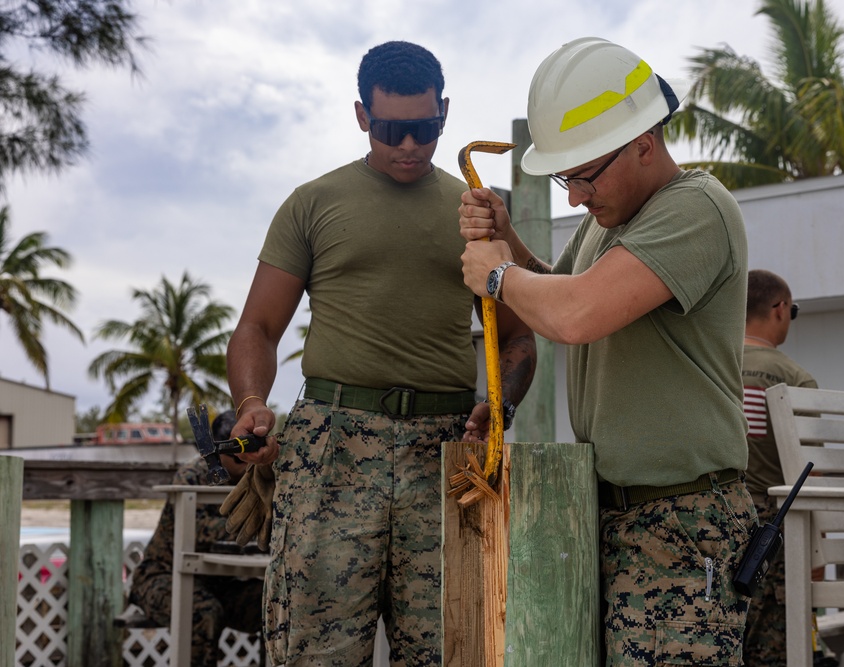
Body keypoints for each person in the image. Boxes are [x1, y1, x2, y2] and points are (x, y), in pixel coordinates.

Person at [223, 40, 536, 666]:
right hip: (332, 452)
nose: (409, 145)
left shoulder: (474, 214)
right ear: (363, 115)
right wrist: (252, 404)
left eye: (424, 128)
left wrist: (497, 410)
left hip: (447, 456)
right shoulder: (314, 203)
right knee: (316, 653)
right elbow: (257, 327)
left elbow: (520, 337)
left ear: (443, 113)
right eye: (392, 128)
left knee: (456, 649)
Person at [458, 37, 755, 665]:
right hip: (615, 513)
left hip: (682, 522)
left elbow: (575, 314)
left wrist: (495, 274)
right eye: (567, 178)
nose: (574, 197)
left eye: (583, 176)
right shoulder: (608, 221)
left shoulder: (696, 210)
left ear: (644, 144)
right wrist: (506, 239)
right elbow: (557, 289)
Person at [129, 410, 263, 667]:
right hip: (162, 576)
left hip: (220, 581)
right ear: (218, 451)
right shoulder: (194, 474)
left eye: (250, 459)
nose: (246, 466)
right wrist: (250, 525)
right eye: (238, 458)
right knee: (202, 612)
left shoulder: (256, 478)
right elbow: (197, 528)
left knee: (273, 600)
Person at [740, 269, 819, 666]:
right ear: (780, 309)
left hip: (717, 518)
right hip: (778, 529)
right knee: (776, 644)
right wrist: (817, 555)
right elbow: (812, 471)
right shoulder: (794, 378)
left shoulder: (712, 366)